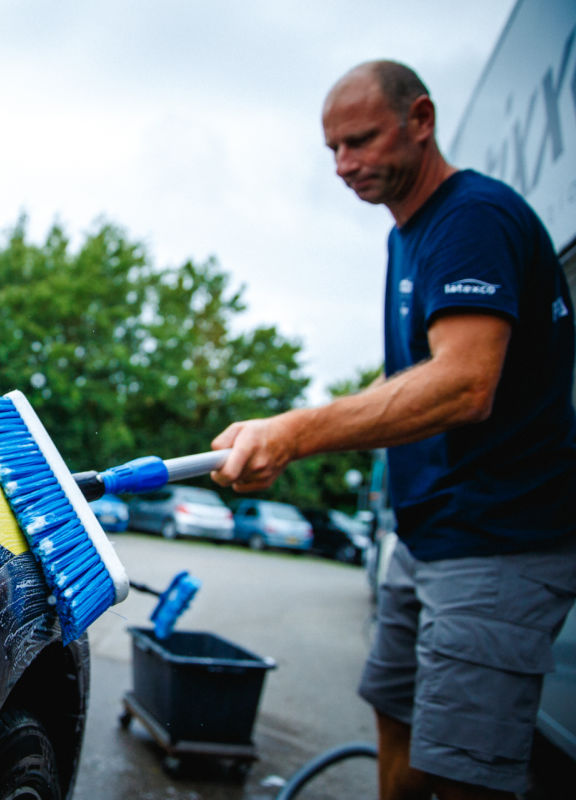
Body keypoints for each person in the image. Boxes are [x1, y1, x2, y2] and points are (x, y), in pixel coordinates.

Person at [210, 60, 576, 799]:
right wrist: (283, 431)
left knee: (462, 771)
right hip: (426, 534)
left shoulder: (472, 218)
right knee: (396, 718)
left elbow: (464, 382)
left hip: (498, 538)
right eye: (333, 149)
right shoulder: (406, 235)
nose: (344, 165)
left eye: (362, 141)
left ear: (421, 120)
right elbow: (408, 378)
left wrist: (298, 432)